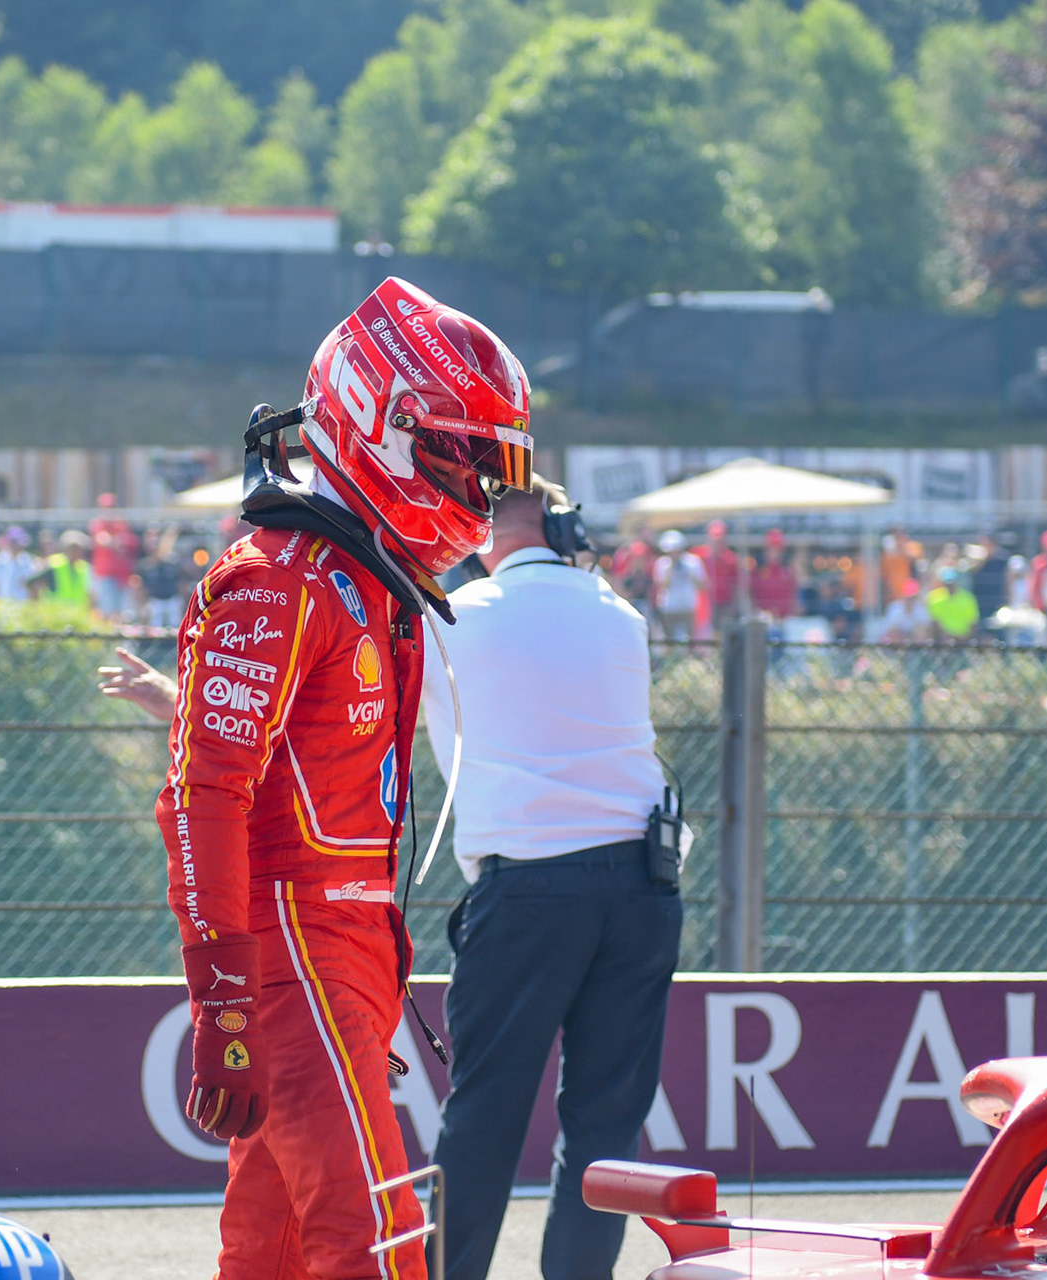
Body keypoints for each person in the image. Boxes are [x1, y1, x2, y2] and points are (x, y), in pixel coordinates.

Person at [154, 276, 532, 1280]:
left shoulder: (360, 577)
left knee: (269, 1255)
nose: (480, 493)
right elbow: (200, 794)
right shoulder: (276, 579)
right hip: (297, 948)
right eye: (462, 456)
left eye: (493, 466)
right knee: (378, 1244)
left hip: (345, 948)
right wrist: (223, 999)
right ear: (380, 421)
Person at [418, 478, 680, 1280]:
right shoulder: (621, 616)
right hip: (640, 885)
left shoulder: (452, 617)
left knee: (483, 1114)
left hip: (527, 888)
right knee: (607, 1125)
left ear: (474, 532)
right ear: (565, 528)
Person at [650, 529, 705, 641]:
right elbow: (662, 585)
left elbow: (702, 584)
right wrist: (671, 568)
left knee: (690, 638)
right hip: (670, 606)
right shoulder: (662, 563)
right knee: (669, 638)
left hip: (688, 605)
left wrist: (689, 572)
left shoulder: (693, 562)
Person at [91, 494, 139, 620]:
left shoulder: (121, 524)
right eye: (107, 508)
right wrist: (116, 542)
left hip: (122, 575)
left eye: (112, 507)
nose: (109, 511)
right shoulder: (98, 523)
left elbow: (131, 543)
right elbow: (102, 540)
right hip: (106, 574)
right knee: (108, 610)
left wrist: (118, 542)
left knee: (123, 612)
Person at [928, 565, 979, 641]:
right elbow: (934, 623)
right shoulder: (934, 597)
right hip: (943, 640)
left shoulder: (968, 598)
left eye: (952, 584)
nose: (950, 586)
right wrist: (946, 636)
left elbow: (973, 623)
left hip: (963, 640)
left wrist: (964, 638)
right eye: (947, 584)